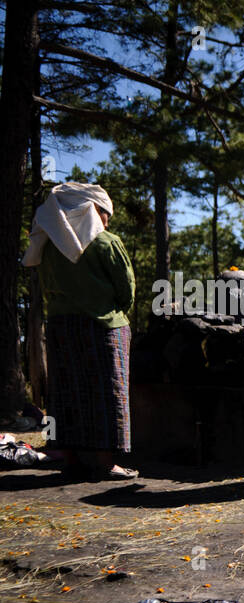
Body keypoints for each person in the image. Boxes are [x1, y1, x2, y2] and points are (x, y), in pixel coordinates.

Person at [23, 182, 137, 480]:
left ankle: (70, 459)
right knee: (106, 393)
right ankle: (106, 462)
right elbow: (126, 291)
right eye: (103, 212)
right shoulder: (106, 242)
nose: (107, 220)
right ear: (90, 211)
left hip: (60, 327)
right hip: (103, 326)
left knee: (64, 393)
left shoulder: (47, 246)